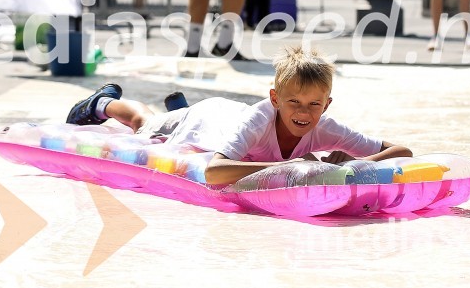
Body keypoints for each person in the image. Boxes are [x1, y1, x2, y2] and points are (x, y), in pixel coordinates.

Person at [65, 46, 413, 185]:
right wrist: (289, 167)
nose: (304, 113)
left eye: (313, 105)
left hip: (226, 123)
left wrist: (358, 161)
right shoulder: (260, 121)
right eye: (294, 102)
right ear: (275, 98)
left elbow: (403, 152)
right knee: (146, 125)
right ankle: (102, 102)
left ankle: (176, 107)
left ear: (327, 105)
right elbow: (215, 173)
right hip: (205, 122)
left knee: (166, 119)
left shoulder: (325, 126)